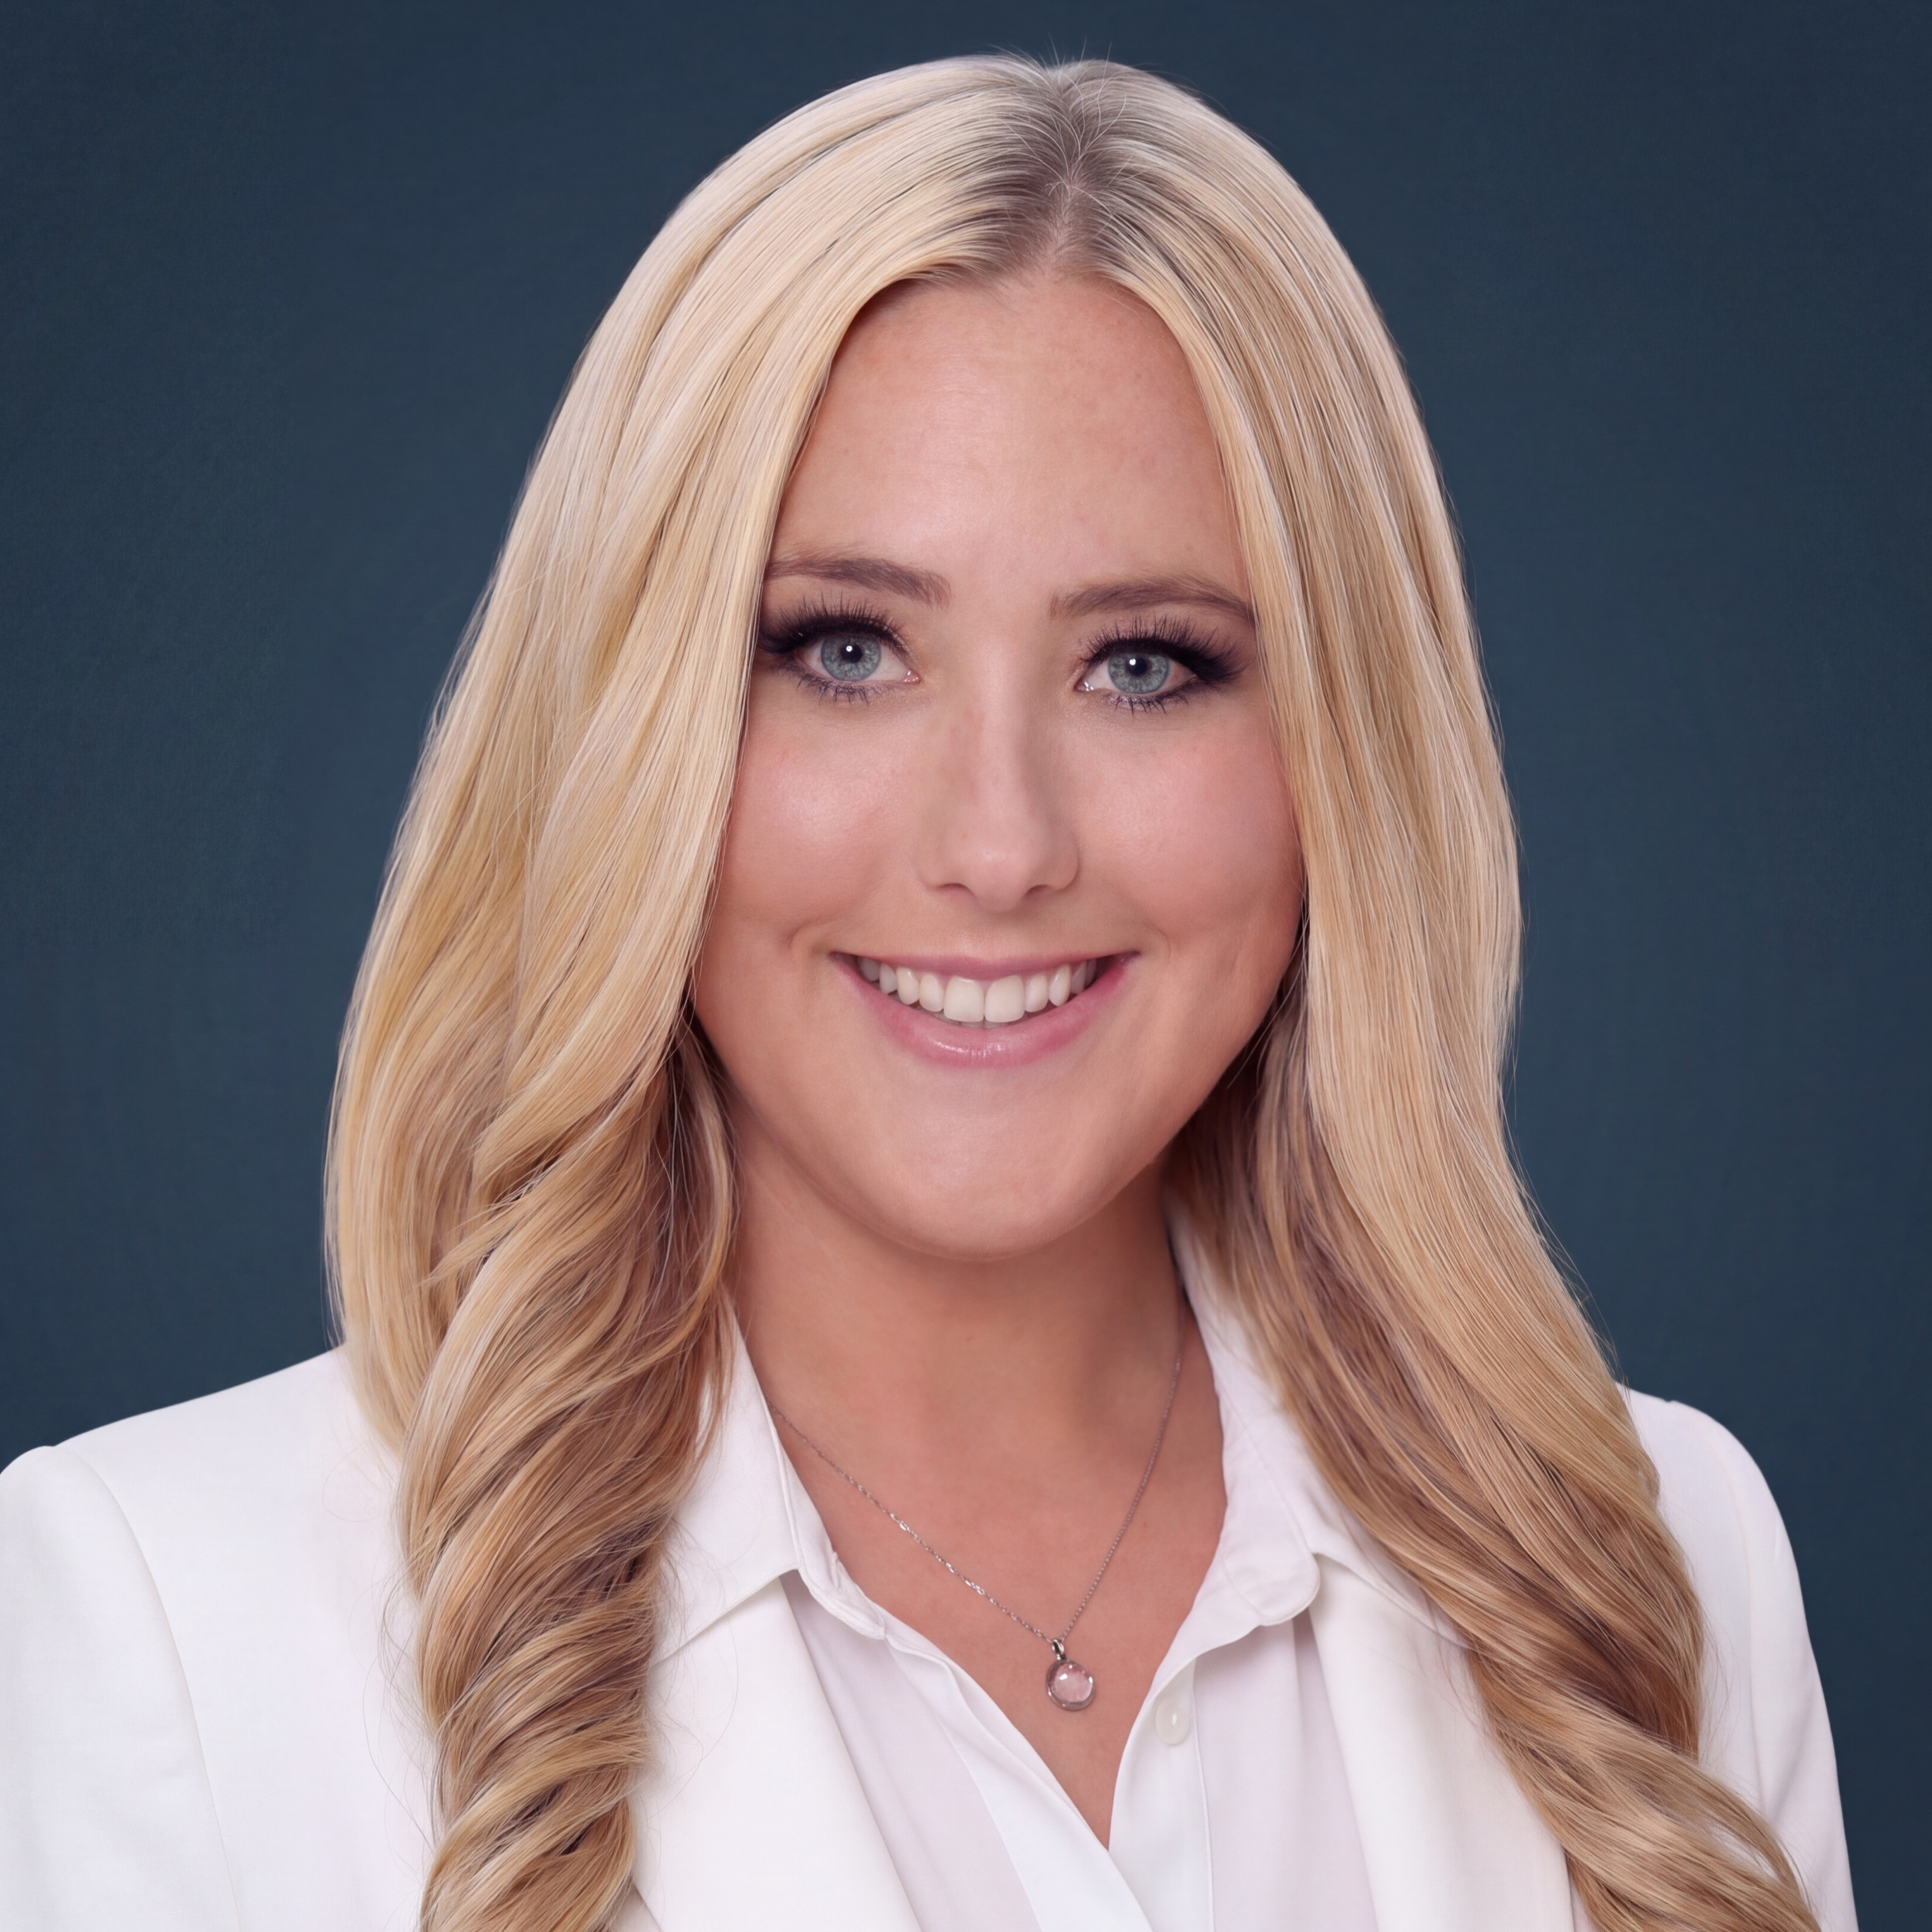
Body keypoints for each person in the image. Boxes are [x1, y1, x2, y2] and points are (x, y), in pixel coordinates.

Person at [0, 55, 1854, 1932]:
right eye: (845, 649)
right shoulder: (172, 1627)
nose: (1000, 844)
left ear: (1341, 763)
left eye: (1144, 665)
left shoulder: (1662, 1560)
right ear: (632, 728)